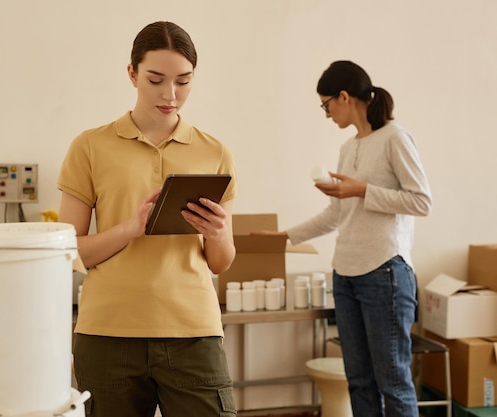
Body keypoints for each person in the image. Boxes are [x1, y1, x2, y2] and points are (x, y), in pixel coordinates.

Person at [57, 21, 238, 417]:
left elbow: (220, 262)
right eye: (156, 80)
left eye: (183, 81)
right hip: (108, 332)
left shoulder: (215, 151)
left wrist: (220, 233)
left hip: (194, 331)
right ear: (132, 73)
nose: (170, 95)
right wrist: (130, 228)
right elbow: (70, 252)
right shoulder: (89, 147)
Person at [256, 61, 432, 417]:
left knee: (393, 382)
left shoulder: (395, 138)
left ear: (344, 97)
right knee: (359, 382)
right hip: (346, 276)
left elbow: (421, 201)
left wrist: (362, 189)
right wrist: (283, 237)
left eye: (326, 105)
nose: (326, 114)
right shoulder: (348, 147)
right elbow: (336, 216)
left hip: (385, 273)